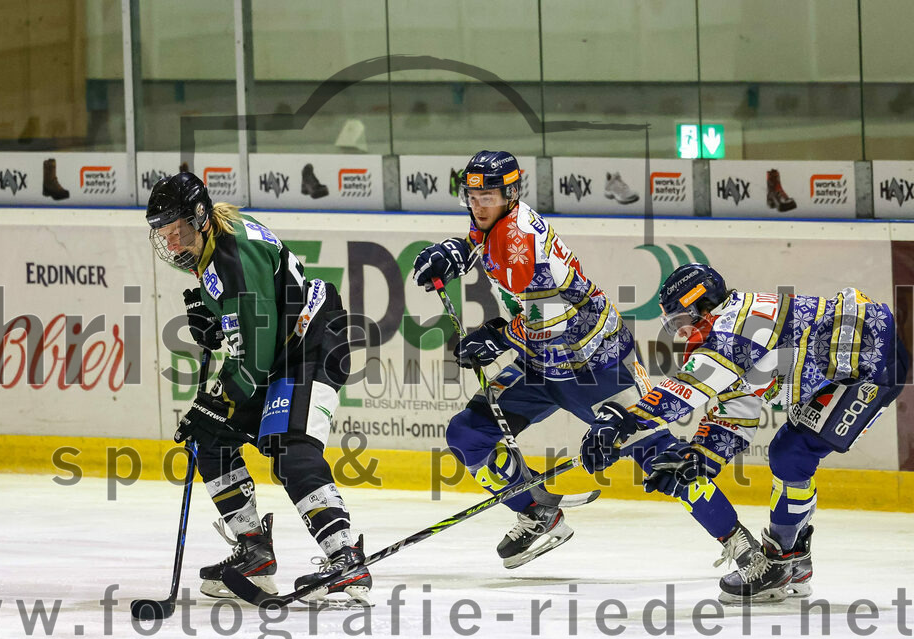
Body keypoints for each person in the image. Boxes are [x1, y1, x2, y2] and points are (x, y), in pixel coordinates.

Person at [580, 263, 909, 604]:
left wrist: (623, 420)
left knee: (792, 455)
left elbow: (685, 391)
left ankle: (778, 564)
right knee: (792, 454)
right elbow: (735, 416)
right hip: (852, 363)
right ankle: (794, 559)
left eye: (681, 320)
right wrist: (698, 459)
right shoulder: (727, 333)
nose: (680, 332)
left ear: (702, 304)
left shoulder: (733, 330)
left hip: (873, 359)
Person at [412, 150, 675, 569]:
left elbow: (551, 316)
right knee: (468, 433)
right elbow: (479, 242)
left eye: (487, 197)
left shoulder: (518, 241)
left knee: (661, 455)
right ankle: (538, 515)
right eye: (472, 197)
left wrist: (498, 336)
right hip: (541, 361)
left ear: (510, 194)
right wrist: (453, 251)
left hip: (592, 362)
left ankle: (750, 546)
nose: (478, 205)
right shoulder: (496, 218)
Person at [146, 172, 371, 605]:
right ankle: (255, 552)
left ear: (200, 217)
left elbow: (254, 359)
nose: (172, 242)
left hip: (308, 343)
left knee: (290, 448)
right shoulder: (209, 245)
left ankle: (346, 558)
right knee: (211, 440)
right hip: (279, 348)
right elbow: (249, 326)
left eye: (178, 230)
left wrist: (219, 398)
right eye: (164, 233)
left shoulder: (235, 256)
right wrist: (216, 322)